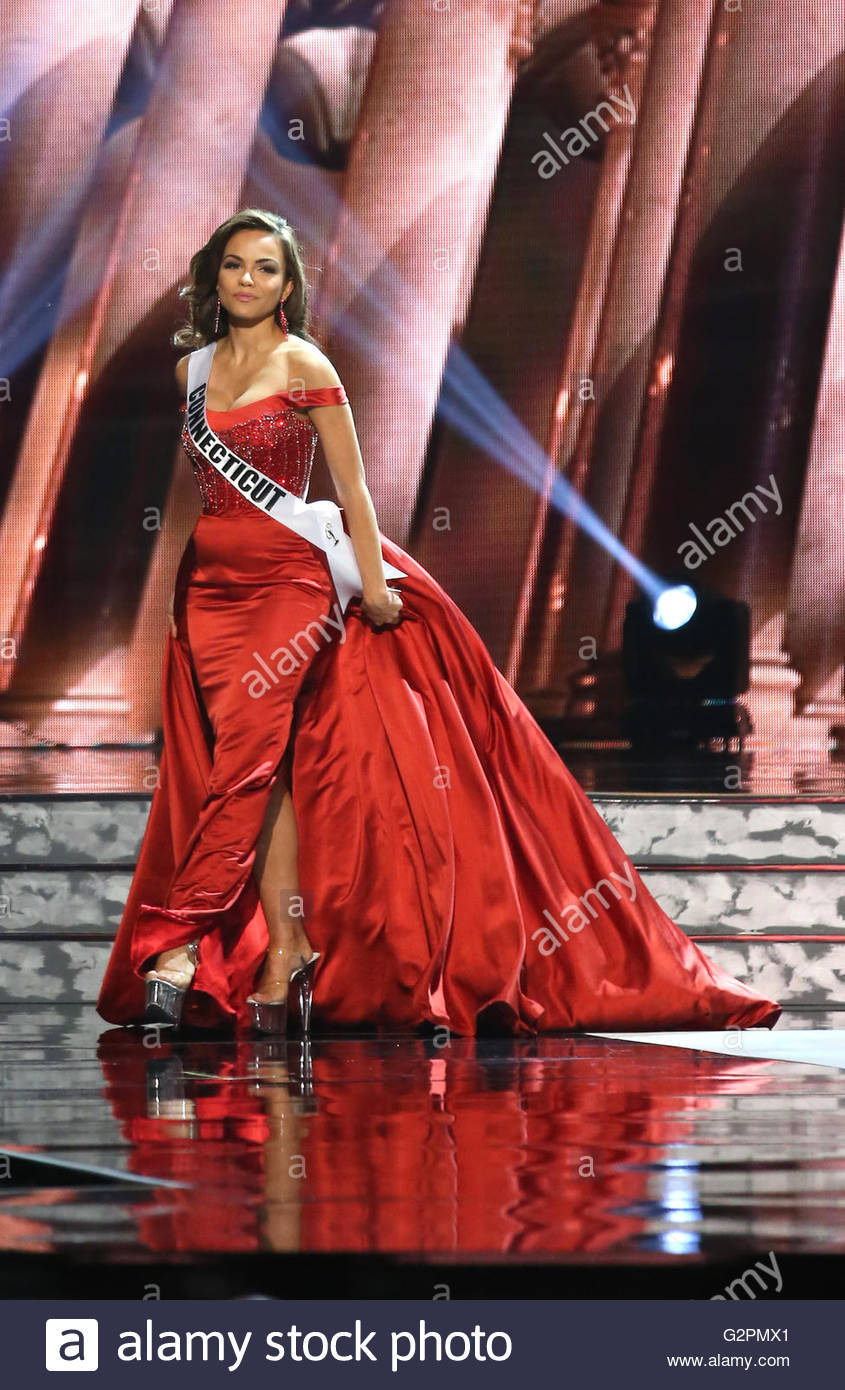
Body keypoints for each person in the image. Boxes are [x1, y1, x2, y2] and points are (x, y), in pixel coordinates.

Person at [96, 208, 781, 1039]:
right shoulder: (192, 372)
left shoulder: (304, 362)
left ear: (287, 286)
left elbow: (351, 488)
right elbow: (204, 498)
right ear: (213, 276)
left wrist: (374, 582)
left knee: (242, 761)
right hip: (208, 586)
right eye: (235, 265)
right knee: (254, 772)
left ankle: (176, 940)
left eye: (266, 268)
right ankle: (289, 949)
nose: (248, 280)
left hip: (288, 585)